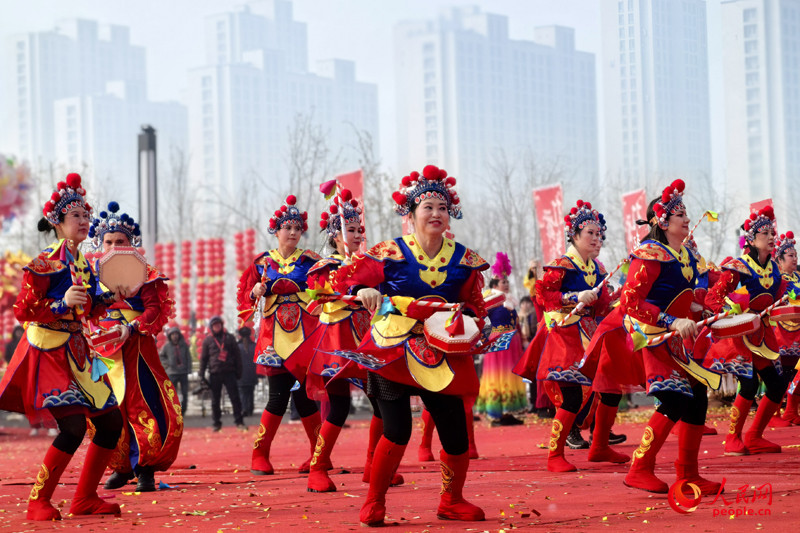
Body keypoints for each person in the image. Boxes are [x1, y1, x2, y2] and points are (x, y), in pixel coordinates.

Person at [332, 165, 488, 526]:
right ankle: (374, 501)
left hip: (441, 350)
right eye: (428, 207)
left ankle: (452, 500)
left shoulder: (464, 259)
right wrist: (363, 290)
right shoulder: (390, 252)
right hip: (393, 346)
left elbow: (476, 305)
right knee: (397, 429)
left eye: (442, 207)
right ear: (411, 213)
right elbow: (347, 279)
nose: (436, 214)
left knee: (455, 432)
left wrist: (474, 322)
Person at [0, 173, 123, 520]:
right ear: (58, 222)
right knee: (74, 427)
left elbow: (90, 307)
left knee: (111, 422)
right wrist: (59, 303)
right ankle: (37, 500)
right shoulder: (46, 262)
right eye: (76, 217)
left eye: (87, 215)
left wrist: (111, 297)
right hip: (49, 351)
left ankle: (85, 498)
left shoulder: (85, 264)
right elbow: (23, 309)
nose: (85, 222)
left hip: (78, 352)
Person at [621, 180, 721, 495]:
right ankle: (639, 468)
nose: (687, 218)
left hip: (674, 337)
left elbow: (681, 296)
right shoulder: (650, 253)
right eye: (680, 214)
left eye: (686, 213)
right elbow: (630, 302)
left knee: (697, 395)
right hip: (651, 335)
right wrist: (671, 320)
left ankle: (688, 475)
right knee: (675, 398)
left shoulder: (685, 255)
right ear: (663, 221)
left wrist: (698, 311)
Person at [88, 202, 182, 492]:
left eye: (121, 241)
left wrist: (129, 328)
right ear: (99, 244)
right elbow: (85, 309)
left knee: (145, 404)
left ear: (132, 244)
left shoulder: (146, 273)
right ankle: (121, 466)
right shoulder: (89, 274)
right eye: (108, 242)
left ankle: (145, 469)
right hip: (103, 351)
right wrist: (97, 332)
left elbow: (154, 309)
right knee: (107, 408)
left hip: (137, 348)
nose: (114, 246)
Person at [513, 199, 611, 472]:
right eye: (590, 233)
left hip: (589, 337)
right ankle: (555, 454)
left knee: (606, 389)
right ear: (575, 235)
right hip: (564, 334)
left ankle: (601, 444)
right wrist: (574, 296)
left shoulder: (600, 269)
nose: (596, 238)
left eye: (599, 233)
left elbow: (601, 306)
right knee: (570, 396)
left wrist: (611, 300)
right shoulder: (562, 264)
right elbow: (543, 295)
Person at [236, 195, 322, 474]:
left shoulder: (311, 261)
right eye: (288, 228)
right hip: (274, 336)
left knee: (305, 397)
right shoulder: (262, 262)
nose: (294, 233)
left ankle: (320, 455)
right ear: (276, 230)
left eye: (298, 228)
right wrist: (255, 292)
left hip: (304, 335)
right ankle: (259, 455)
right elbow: (245, 296)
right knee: (277, 396)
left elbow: (323, 290)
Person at [701, 205, 788, 455]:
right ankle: (732, 438)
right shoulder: (739, 266)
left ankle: (755, 436)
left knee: (776, 385)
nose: (772, 237)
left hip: (762, 332)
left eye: (773, 232)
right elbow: (713, 296)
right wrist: (729, 311)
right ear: (751, 239)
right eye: (765, 233)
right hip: (740, 334)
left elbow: (779, 296)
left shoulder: (773, 268)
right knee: (748, 385)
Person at [475, 253, 527, 425]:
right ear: (495, 283)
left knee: (510, 375)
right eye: (503, 282)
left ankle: (508, 411)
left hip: (513, 342)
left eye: (507, 281)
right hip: (497, 341)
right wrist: (485, 337)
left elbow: (516, 321)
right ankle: (496, 413)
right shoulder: (489, 297)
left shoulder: (510, 299)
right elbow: (480, 316)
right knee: (497, 376)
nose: (506, 284)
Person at [772, 232, 800, 424]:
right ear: (780, 260)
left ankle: (791, 409)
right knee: (775, 374)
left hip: (798, 332)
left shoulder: (799, 276)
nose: (795, 258)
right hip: (778, 333)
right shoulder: (775, 279)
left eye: (796, 255)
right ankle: (773, 414)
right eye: (790, 255)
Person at [200, 316, 245, 431]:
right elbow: (204, 359)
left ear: (222, 326)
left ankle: (239, 421)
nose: (217, 327)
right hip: (215, 374)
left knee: (235, 398)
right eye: (215, 325)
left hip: (229, 372)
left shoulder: (229, 338)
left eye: (219, 325)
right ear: (211, 327)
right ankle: (216, 423)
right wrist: (201, 374)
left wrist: (239, 371)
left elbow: (237, 356)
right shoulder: (208, 340)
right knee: (215, 400)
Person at [160, 326, 191, 411]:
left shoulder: (184, 345)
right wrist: (167, 364)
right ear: (170, 336)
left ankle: (183, 409)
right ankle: (174, 410)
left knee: (185, 393)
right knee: (172, 393)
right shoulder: (166, 346)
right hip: (172, 373)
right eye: (173, 334)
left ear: (179, 335)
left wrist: (189, 369)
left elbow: (188, 358)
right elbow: (161, 356)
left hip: (183, 372)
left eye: (176, 334)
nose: (175, 336)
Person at [237, 326, 258, 417]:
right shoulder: (254, 346)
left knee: (242, 392)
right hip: (252, 373)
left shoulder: (237, 347)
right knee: (250, 392)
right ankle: (250, 408)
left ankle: (244, 408)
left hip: (241, 374)